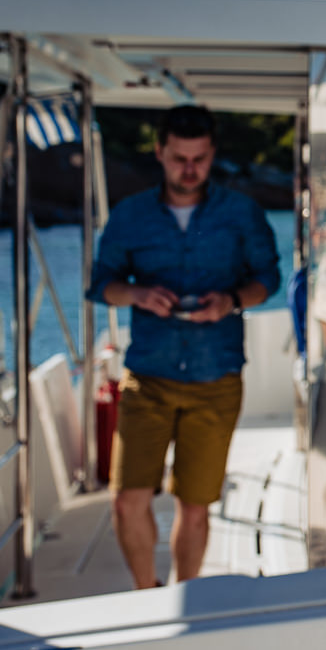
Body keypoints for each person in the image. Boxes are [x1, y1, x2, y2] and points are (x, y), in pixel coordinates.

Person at [89, 105, 280, 589]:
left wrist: (230, 301)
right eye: (179, 158)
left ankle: (182, 594)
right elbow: (101, 283)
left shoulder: (242, 214)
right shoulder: (130, 215)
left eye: (198, 159)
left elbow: (268, 279)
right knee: (127, 499)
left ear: (211, 153)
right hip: (147, 377)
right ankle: (146, 595)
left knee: (194, 507)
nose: (188, 169)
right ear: (160, 152)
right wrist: (136, 294)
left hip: (215, 379)